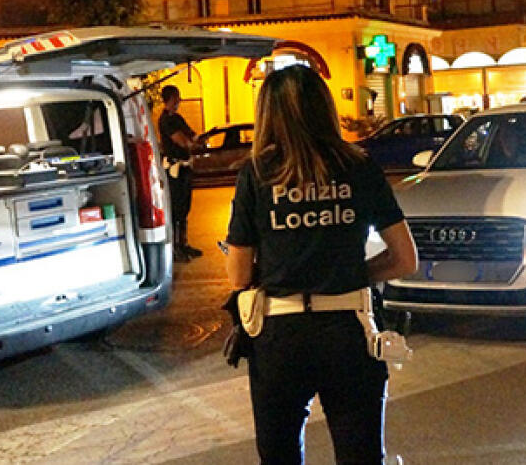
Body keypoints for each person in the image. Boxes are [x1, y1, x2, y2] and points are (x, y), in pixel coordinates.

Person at [224, 65, 418, 464]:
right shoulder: (359, 166)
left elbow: (239, 275)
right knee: (360, 454)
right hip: (350, 331)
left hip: (279, 336)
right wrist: (349, 275)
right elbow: (405, 259)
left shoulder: (257, 174)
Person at [158, 85, 203, 262]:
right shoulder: (165, 120)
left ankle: (183, 243)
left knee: (185, 208)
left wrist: (197, 140)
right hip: (174, 169)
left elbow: (191, 135)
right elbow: (182, 141)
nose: (179, 101)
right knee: (177, 208)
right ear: (169, 98)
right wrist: (191, 143)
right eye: (177, 97)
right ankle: (176, 247)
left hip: (185, 167)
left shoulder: (177, 118)